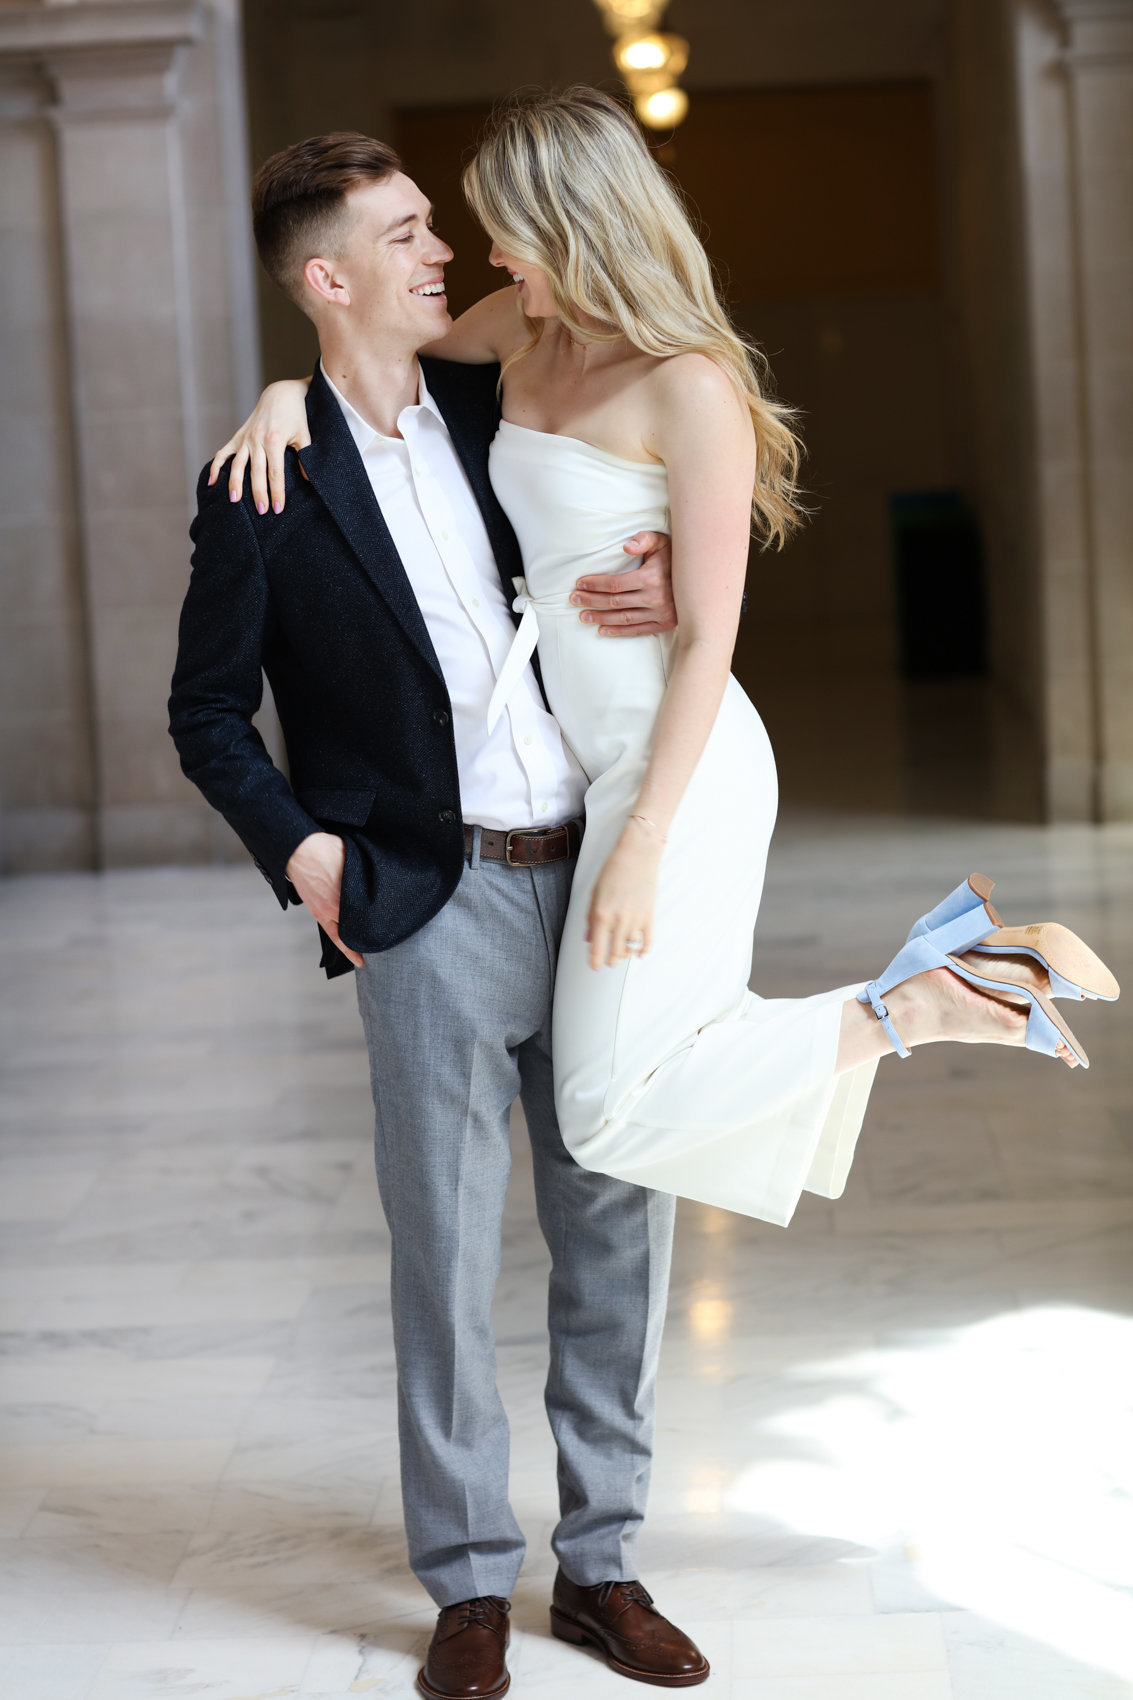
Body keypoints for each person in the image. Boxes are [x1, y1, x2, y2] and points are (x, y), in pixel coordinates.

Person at [225, 88, 1118, 1233]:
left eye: (505, 226)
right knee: (626, 1090)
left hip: (680, 771)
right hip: (602, 774)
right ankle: (941, 979)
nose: (485, 251)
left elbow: (709, 635)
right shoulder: (520, 329)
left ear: (569, 222)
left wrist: (643, 834)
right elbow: (372, 360)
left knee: (604, 1112)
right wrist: (282, 393)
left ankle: (925, 1000)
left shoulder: (689, 382)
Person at [170, 132, 710, 1700]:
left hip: (594, 859)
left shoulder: (504, 399)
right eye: (407, 238)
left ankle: (600, 1568)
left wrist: (666, 561)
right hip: (424, 892)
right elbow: (206, 714)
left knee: (619, 1227)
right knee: (447, 1252)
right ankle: (470, 1583)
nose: (443, 258)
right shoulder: (261, 484)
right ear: (327, 276)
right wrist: (304, 855)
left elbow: (662, 461)